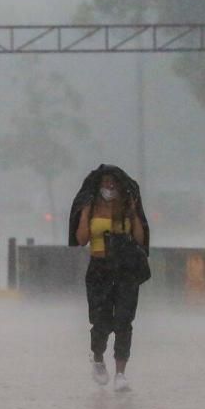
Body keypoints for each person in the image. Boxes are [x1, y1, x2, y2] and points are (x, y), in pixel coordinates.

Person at [69, 165, 150, 391]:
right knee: (101, 321)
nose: (110, 187)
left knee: (124, 321)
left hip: (126, 270)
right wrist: (85, 213)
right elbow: (82, 239)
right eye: (105, 183)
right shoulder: (92, 207)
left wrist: (133, 214)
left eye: (113, 183)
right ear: (98, 186)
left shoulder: (126, 208)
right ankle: (98, 358)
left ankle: (121, 374)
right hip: (99, 270)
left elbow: (140, 238)